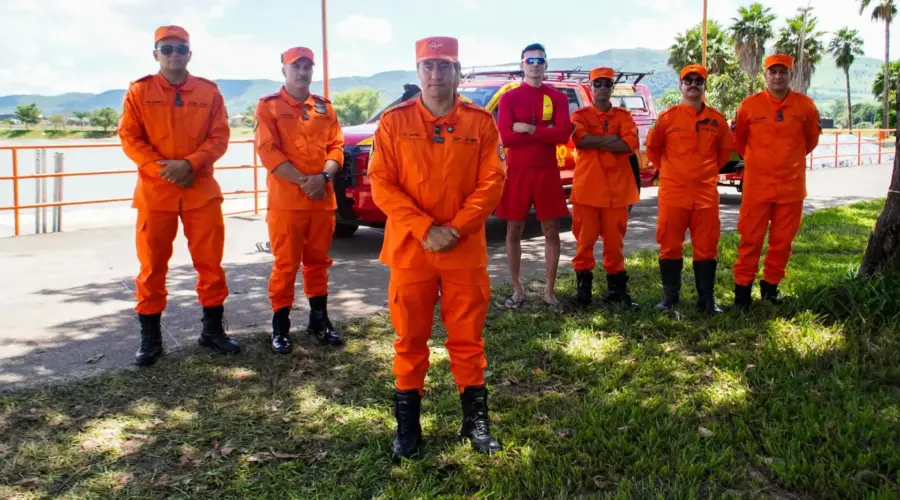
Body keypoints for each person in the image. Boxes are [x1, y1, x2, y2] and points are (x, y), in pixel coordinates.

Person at [367, 36, 506, 459]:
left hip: (463, 250)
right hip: (411, 250)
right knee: (410, 339)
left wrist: (457, 228)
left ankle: (474, 423)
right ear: (418, 72)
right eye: (428, 66)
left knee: (467, 338)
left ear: (458, 71)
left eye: (444, 65)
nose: (435, 74)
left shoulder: (480, 123)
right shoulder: (393, 122)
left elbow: (492, 182)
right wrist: (426, 229)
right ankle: (408, 429)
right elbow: (381, 184)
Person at [118, 25, 239, 367]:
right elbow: (130, 137)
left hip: (200, 190)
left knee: (210, 264)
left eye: (181, 48)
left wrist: (190, 164)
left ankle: (213, 331)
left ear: (190, 53)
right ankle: (150, 339)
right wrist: (163, 169)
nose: (174, 54)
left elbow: (219, 137)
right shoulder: (138, 91)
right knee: (152, 267)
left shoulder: (209, 91)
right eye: (166, 48)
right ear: (155, 53)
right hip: (156, 193)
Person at [253, 47, 346, 354]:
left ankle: (320, 321)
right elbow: (268, 152)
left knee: (318, 263)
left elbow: (337, 148)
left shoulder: (324, 108)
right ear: (284, 70)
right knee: (286, 265)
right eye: (296, 66)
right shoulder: (268, 107)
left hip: (322, 200)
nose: (302, 72)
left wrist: (324, 178)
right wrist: (307, 183)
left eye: (307, 66)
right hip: (287, 203)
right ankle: (280, 327)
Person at [731, 54, 821, 310]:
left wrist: (787, 160)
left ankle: (770, 289)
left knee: (782, 243)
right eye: (773, 71)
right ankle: (742, 295)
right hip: (757, 187)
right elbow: (739, 141)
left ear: (790, 75)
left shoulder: (805, 106)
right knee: (750, 240)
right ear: (765, 75)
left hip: (791, 187)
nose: (778, 76)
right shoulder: (749, 106)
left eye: (783, 71)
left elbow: (810, 140)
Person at [645, 64, 734, 313]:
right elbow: (653, 149)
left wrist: (702, 173)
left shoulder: (716, 119)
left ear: (705, 85)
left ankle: (706, 300)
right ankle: (670, 298)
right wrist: (674, 171)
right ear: (681, 85)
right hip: (673, 194)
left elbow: (724, 153)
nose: (693, 84)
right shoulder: (667, 118)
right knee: (669, 245)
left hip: (705, 195)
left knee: (707, 247)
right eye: (688, 80)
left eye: (699, 80)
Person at [495, 43, 572, 312]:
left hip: (547, 172)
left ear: (546, 65)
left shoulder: (558, 98)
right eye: (530, 60)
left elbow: (563, 135)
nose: (535, 64)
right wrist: (544, 130)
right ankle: (517, 289)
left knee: (551, 231)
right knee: (513, 230)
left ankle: (549, 292)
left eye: (540, 60)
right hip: (517, 173)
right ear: (522, 65)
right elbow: (506, 137)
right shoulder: (509, 99)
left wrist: (527, 128)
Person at [569, 67, 640, 308]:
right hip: (587, 191)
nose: (602, 88)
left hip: (618, 193)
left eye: (607, 84)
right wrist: (613, 139)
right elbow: (580, 140)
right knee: (584, 242)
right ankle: (583, 292)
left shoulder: (624, 116)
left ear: (612, 87)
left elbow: (629, 145)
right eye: (597, 83)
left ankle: (617, 291)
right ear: (590, 87)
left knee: (615, 244)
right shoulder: (579, 115)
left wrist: (596, 141)